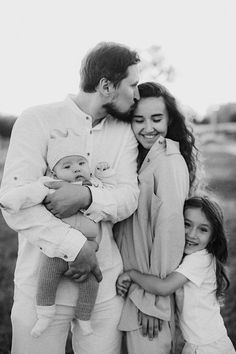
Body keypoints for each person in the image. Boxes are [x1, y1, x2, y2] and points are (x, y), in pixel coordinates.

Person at [0, 41, 140, 354]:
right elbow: (14, 202)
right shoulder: (36, 119)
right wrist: (75, 248)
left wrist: (86, 196)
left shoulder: (124, 132)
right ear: (106, 86)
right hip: (40, 289)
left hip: (104, 291)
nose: (137, 94)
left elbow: (129, 197)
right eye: (133, 84)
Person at [0, 129, 117, 337]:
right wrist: (13, 199)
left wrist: (105, 172)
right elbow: (31, 193)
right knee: (46, 278)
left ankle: (84, 318)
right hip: (57, 249)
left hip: (89, 248)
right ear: (55, 172)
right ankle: (45, 315)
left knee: (91, 283)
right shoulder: (51, 184)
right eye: (68, 165)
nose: (76, 170)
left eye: (81, 163)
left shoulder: (92, 185)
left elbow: (110, 190)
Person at [115, 81, 198, 354]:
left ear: (170, 119)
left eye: (157, 118)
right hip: (131, 288)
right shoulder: (142, 159)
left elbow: (169, 233)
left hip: (148, 301)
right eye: (138, 120)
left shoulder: (169, 162)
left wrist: (154, 303)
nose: (148, 128)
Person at [117, 196, 235, 354]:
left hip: (208, 347)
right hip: (202, 343)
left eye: (203, 229)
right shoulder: (196, 257)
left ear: (213, 237)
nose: (192, 234)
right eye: (187, 224)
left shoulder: (199, 260)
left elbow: (164, 287)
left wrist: (132, 275)